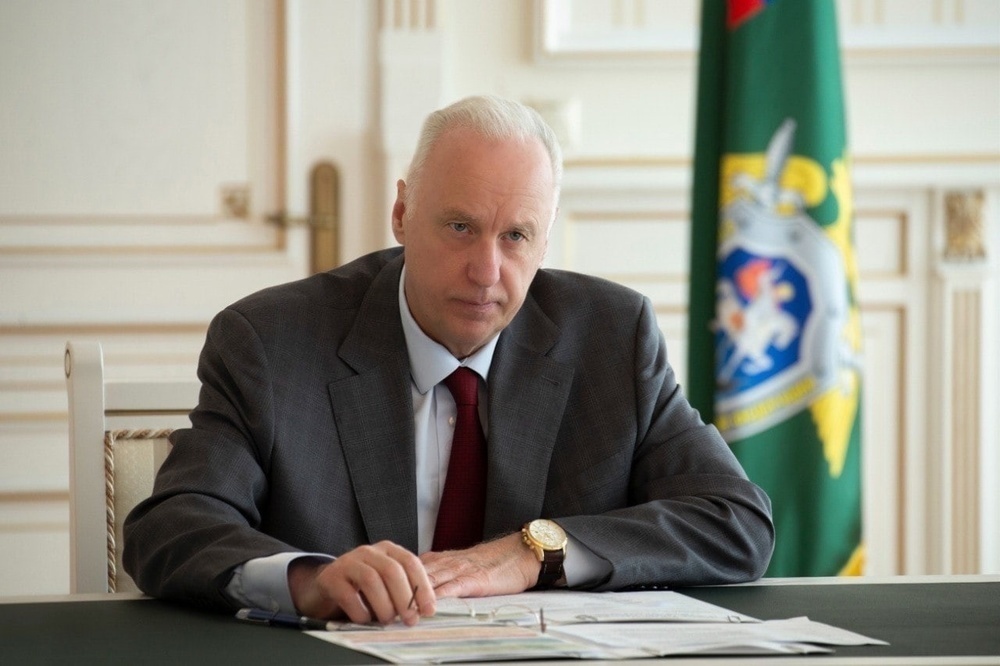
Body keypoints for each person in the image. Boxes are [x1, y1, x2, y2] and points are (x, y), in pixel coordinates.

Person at [123, 95, 773, 626]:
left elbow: (735, 521)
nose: (486, 271)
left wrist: (533, 552)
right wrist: (309, 582)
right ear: (402, 213)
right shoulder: (271, 343)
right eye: (460, 227)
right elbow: (172, 526)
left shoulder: (612, 338)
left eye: (515, 236)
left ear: (545, 239)